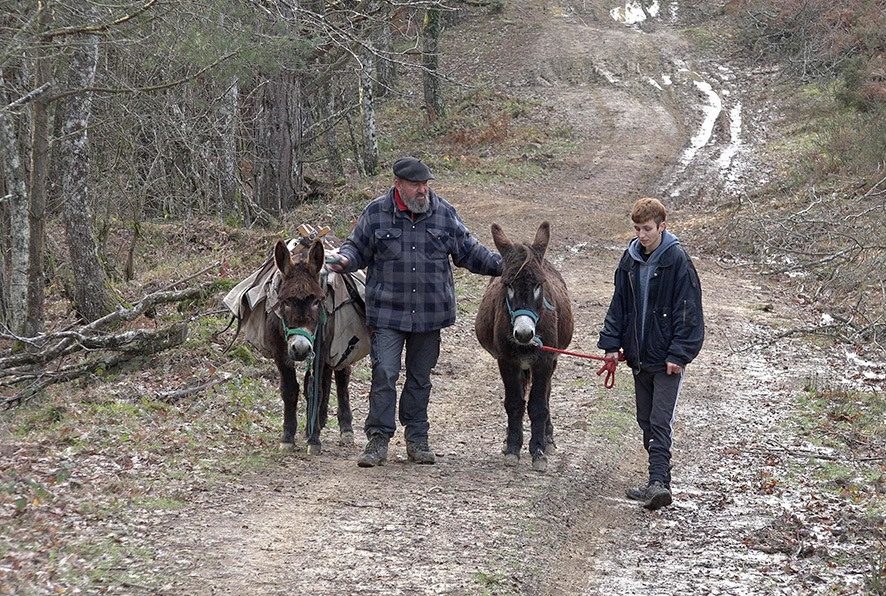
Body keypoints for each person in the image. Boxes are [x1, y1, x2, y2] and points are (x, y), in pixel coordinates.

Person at [327, 157, 502, 467]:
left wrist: (505, 266)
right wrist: (344, 260)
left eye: (425, 184)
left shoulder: (443, 213)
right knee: (384, 374)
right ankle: (378, 439)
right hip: (387, 314)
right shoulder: (376, 213)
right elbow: (356, 247)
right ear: (398, 185)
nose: (423, 190)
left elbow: (469, 251)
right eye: (415, 185)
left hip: (428, 315)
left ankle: (417, 438)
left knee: (420, 378)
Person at [597, 198, 704, 510]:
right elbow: (619, 306)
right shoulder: (628, 261)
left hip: (667, 360)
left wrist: (679, 354)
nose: (642, 235)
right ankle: (656, 482)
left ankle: (659, 482)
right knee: (645, 419)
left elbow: (689, 311)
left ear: (662, 227)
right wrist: (611, 346)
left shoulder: (678, 260)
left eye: (647, 229)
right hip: (638, 357)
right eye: (637, 229)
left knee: (660, 419)